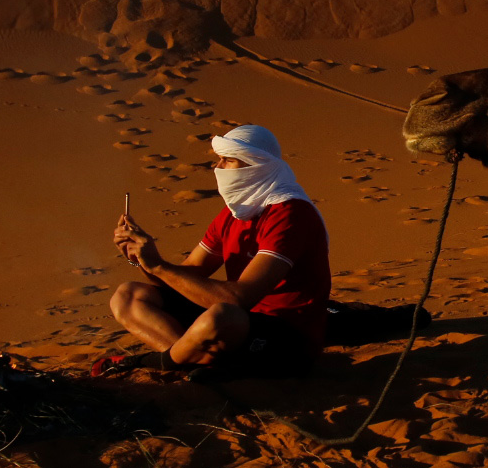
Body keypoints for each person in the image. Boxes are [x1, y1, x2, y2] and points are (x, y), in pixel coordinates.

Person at [98, 123, 331, 380]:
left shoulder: (290, 214)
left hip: (287, 337)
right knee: (128, 295)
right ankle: (194, 363)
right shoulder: (234, 214)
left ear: (256, 165)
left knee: (222, 315)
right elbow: (186, 277)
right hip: (239, 327)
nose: (217, 168)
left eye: (227, 160)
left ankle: (158, 362)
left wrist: (159, 266)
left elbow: (240, 299)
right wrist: (142, 259)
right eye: (218, 160)